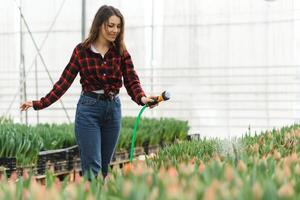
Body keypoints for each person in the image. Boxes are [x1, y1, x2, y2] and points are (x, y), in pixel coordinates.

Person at [20, 5, 157, 180]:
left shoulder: (120, 52)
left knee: (104, 169)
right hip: (89, 111)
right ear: (99, 24)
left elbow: (131, 80)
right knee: (93, 169)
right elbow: (64, 82)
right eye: (110, 25)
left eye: (118, 26)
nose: (115, 30)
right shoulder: (81, 51)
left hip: (113, 111)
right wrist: (39, 103)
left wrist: (143, 98)